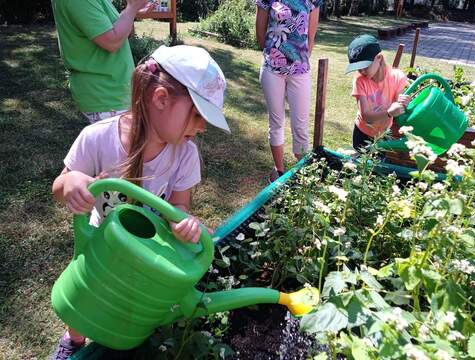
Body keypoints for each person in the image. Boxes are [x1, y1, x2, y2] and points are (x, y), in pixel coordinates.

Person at [49, 45, 230, 359]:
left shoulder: (185, 155)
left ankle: (114, 335)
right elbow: (59, 185)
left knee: (125, 300)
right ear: (161, 98)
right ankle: (74, 339)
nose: (202, 128)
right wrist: (72, 183)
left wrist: (181, 223)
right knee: (86, 297)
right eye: (198, 115)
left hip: (148, 250)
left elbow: (180, 206)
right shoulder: (97, 138)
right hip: (101, 245)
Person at [255, 0, 323, 182]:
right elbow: (260, 34)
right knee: (276, 122)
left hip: (300, 71)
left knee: (300, 125)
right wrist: (274, 54)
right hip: (272, 70)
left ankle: (302, 175)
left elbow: (311, 36)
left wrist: (298, 59)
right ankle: (279, 170)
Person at [51, 0, 147, 123]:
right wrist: (132, 9)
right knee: (120, 142)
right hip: (106, 93)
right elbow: (112, 42)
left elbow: (115, 32)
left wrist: (132, 11)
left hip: (111, 91)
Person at [346, 34, 411, 150]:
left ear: (379, 58)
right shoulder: (360, 80)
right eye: (358, 67)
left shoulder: (397, 78)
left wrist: (404, 103)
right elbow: (366, 116)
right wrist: (388, 113)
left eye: (365, 66)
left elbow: (398, 107)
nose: (362, 71)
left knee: (378, 166)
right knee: (360, 166)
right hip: (362, 133)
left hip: (384, 135)